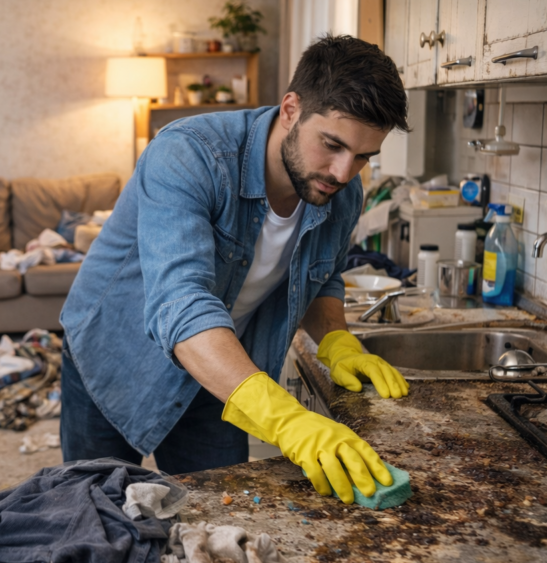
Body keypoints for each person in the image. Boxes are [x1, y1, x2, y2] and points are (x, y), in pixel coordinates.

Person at [60, 35, 411, 504]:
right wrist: (285, 420)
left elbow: (320, 274)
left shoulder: (341, 192)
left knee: (220, 515)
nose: (344, 172)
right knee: (93, 514)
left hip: (225, 366)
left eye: (364, 156)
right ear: (291, 110)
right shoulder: (188, 155)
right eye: (332, 145)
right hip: (115, 355)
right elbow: (182, 305)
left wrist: (335, 340)